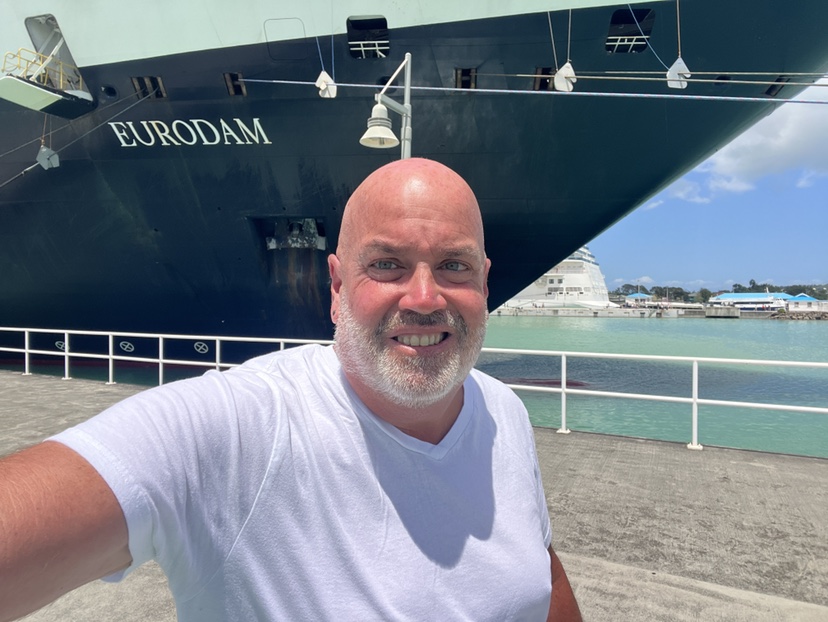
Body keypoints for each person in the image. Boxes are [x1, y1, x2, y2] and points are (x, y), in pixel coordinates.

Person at [0, 158, 581, 621]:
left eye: (454, 266)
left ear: (484, 280)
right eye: (386, 265)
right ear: (335, 285)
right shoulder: (243, 425)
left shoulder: (502, 409)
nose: (425, 298)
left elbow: (541, 571)